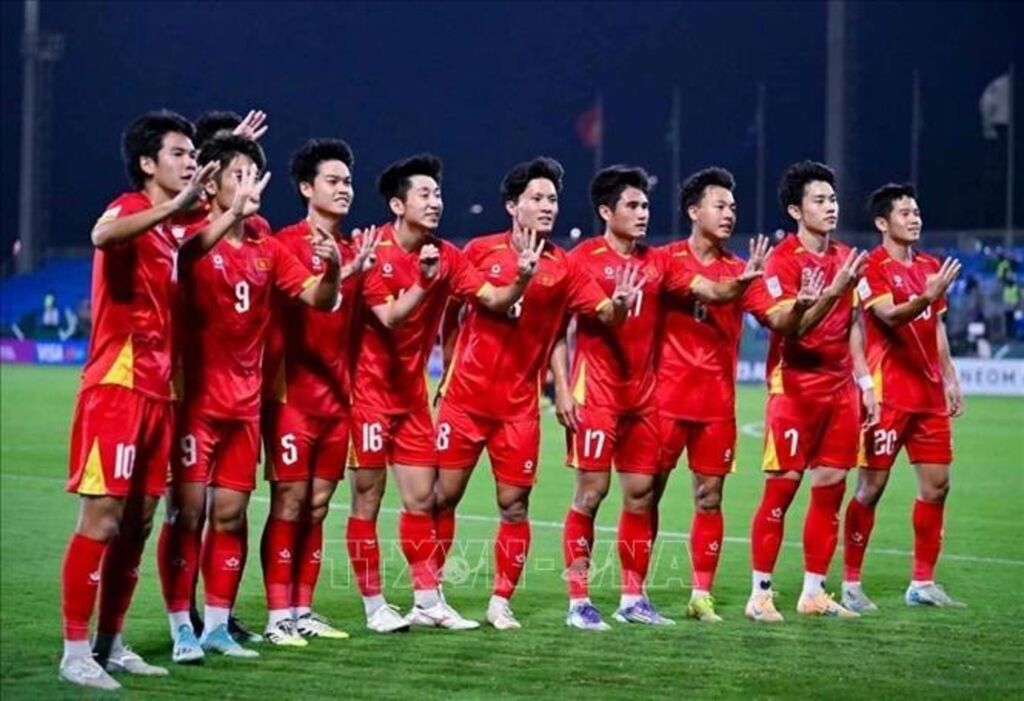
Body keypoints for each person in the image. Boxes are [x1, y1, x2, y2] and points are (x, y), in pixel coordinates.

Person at [59, 110, 232, 689]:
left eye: (191, 154)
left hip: (160, 394)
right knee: (102, 519)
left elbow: (191, 247)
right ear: (146, 163)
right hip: (117, 388)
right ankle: (75, 652)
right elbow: (100, 235)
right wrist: (174, 206)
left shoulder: (166, 232)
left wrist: (229, 206)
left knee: (136, 524)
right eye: (179, 153)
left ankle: (110, 642)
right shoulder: (131, 208)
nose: (188, 161)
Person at [432, 157, 641, 629]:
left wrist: (619, 307)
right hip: (465, 401)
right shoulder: (480, 251)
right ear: (512, 206)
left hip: (519, 409)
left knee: (515, 506)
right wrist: (447, 367)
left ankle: (500, 601)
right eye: (537, 198)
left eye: (553, 199)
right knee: (443, 498)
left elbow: (602, 316)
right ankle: (432, 595)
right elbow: (451, 310)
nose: (548, 206)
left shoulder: (564, 267)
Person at [553, 165, 765, 630]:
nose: (643, 213)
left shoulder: (659, 262)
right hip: (597, 396)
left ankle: (632, 598)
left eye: (646, 205)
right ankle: (578, 600)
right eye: (632, 205)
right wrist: (563, 389)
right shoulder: (582, 259)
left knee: (640, 498)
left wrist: (740, 281)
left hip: (643, 401)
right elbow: (565, 327)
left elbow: (709, 289)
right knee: (590, 495)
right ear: (606, 211)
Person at [346, 153, 538, 631]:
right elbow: (391, 318)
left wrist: (521, 278)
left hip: (411, 399)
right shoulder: (372, 249)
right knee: (367, 501)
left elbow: (493, 300)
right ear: (398, 204)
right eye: (425, 194)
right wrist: (423, 281)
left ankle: (428, 601)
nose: (436, 202)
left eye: (438, 194)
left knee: (421, 501)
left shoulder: (448, 255)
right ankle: (373, 606)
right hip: (367, 394)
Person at [259, 138, 381, 643]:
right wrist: (341, 271)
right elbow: (309, 301)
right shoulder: (283, 244)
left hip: (337, 398)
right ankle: (276, 616)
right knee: (288, 502)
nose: (344, 189)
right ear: (307, 188)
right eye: (333, 181)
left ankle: (302, 608)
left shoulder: (355, 249)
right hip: (291, 396)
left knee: (317, 506)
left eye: (348, 182)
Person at [654, 167, 787, 622]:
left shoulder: (740, 268)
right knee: (645, 496)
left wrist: (816, 300)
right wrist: (745, 281)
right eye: (720, 205)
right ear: (694, 212)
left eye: (733, 206)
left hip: (716, 405)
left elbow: (778, 319)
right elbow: (711, 291)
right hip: (664, 401)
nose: (730, 213)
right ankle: (634, 593)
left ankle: (700, 594)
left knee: (710, 499)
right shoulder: (667, 260)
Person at [745, 160, 872, 623]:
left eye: (833, 199)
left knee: (831, 489)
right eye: (819, 200)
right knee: (782, 489)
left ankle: (813, 592)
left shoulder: (847, 257)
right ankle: (760, 594)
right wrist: (831, 293)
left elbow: (854, 326)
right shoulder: (780, 261)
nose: (830, 207)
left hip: (841, 391)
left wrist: (865, 382)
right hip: (794, 389)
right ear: (796, 210)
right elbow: (790, 328)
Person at [841, 183, 965, 612]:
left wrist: (950, 377)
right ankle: (851, 584)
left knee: (938, 486)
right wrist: (926, 295)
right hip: (888, 395)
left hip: (928, 397)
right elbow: (890, 316)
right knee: (870, 488)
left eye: (916, 212)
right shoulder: (872, 267)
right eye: (905, 213)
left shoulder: (930, 266)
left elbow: (937, 327)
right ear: (882, 222)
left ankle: (922, 583)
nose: (915, 219)